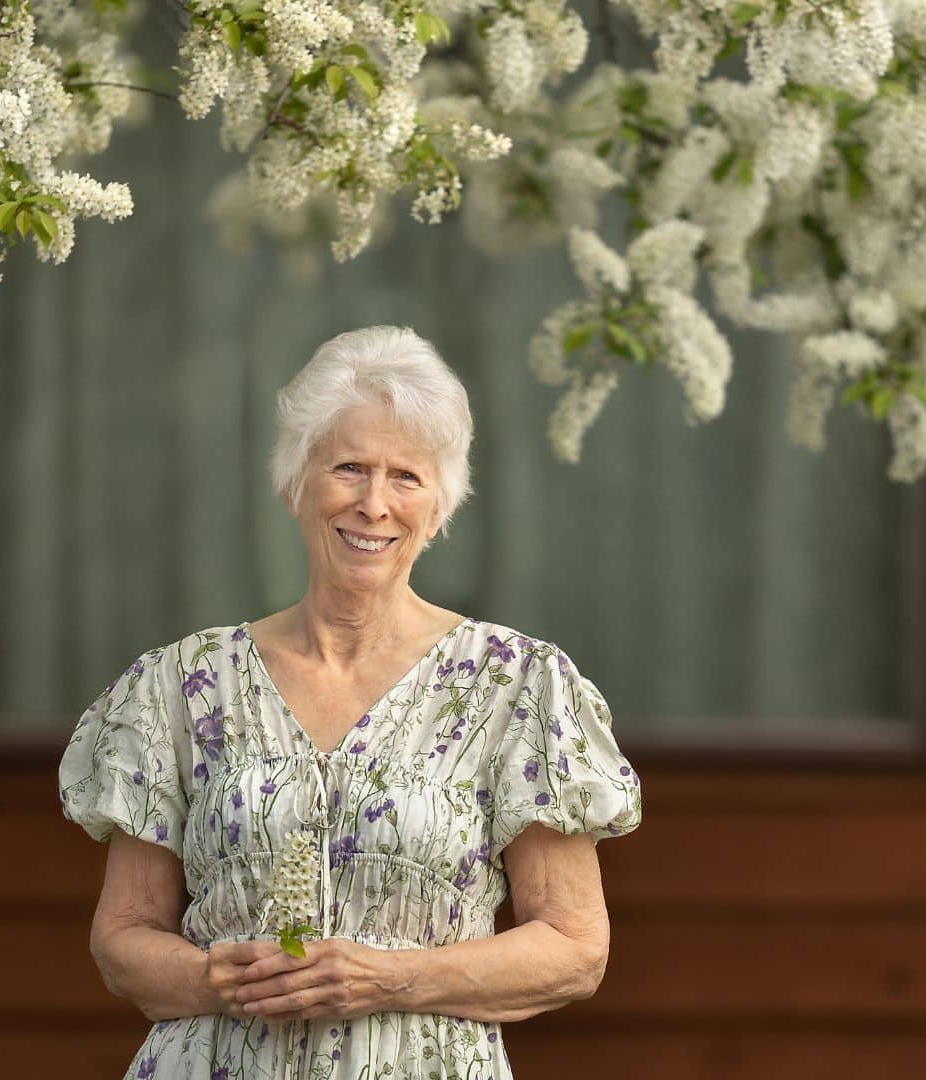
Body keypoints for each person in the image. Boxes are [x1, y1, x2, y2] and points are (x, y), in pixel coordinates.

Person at [57, 325, 643, 1078]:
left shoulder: (516, 685)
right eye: (348, 467)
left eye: (406, 477)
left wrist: (387, 978)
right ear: (296, 480)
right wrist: (216, 979)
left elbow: (573, 948)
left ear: (440, 506)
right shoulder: (179, 684)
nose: (374, 503)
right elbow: (124, 939)